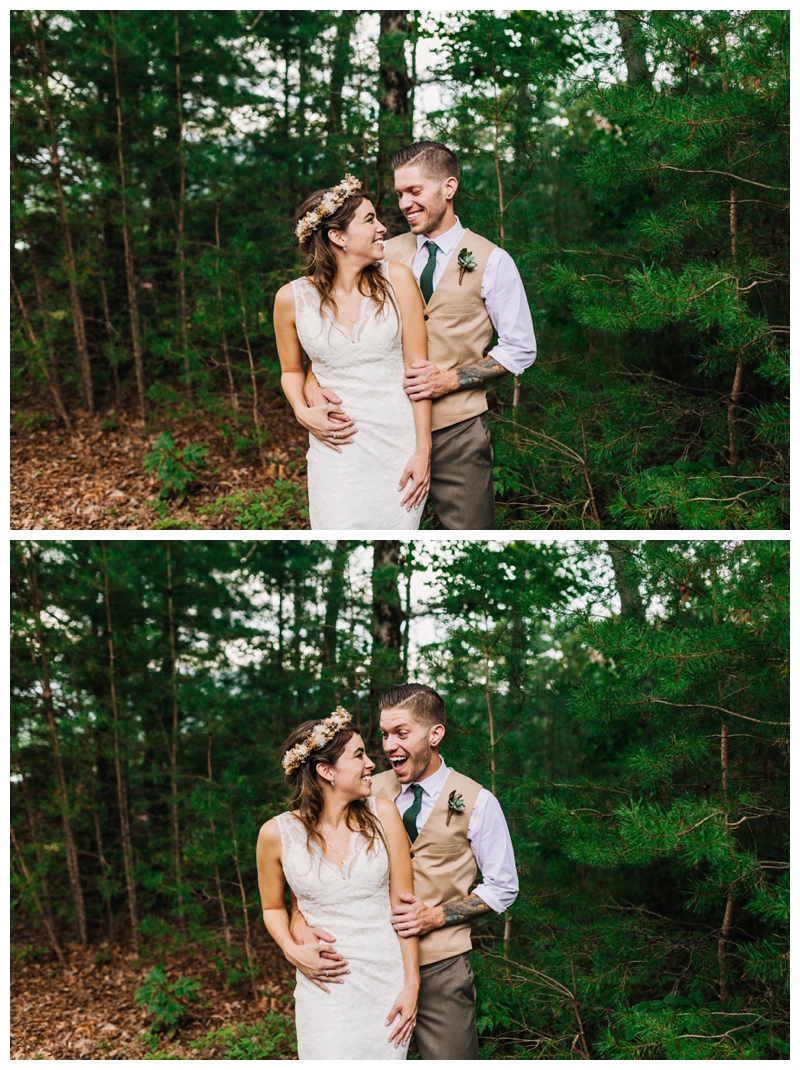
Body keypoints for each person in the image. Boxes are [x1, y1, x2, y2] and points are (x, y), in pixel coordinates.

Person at [305, 143, 537, 530]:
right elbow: (336, 322)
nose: (404, 204)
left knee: (468, 535)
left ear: (448, 188)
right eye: (399, 194)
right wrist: (315, 380)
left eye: (415, 191)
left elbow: (520, 349)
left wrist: (448, 379)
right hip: (381, 427)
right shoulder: (380, 253)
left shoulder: (493, 260)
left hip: (457, 431)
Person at [291, 686, 518, 1060]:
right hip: (363, 965)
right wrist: (298, 926)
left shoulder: (478, 802)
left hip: (439, 966)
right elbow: (311, 869)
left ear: (435, 734)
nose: (389, 745)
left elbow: (503, 887)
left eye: (401, 733)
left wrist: (436, 915)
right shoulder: (361, 789)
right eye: (384, 734)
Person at [256, 706, 419, 1060]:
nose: (371, 763)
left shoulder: (384, 814)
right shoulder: (275, 834)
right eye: (359, 755)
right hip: (325, 986)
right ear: (326, 770)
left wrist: (412, 986)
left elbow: (403, 907)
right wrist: (291, 948)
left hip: (385, 983)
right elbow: (272, 907)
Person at [273, 174, 431, 530]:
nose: (382, 229)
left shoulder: (399, 279)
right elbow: (292, 371)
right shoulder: (290, 299)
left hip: (398, 445)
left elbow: (419, 372)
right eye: (370, 220)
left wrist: (423, 451)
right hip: (336, 451)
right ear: (338, 236)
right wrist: (301, 410)